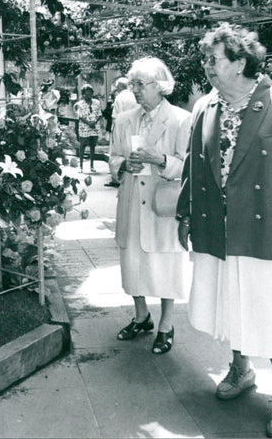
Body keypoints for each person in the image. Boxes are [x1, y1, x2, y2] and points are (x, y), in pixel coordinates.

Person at [175, 23, 272, 438]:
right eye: (205, 59)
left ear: (240, 62)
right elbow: (194, 164)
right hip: (218, 226)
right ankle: (241, 370)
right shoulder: (205, 106)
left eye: (213, 59)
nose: (206, 66)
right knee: (229, 301)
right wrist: (185, 214)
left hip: (266, 225)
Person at [109, 57, 191, 355]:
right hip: (131, 200)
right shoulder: (123, 119)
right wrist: (121, 165)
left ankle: (166, 325)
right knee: (132, 262)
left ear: (160, 85)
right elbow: (113, 156)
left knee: (165, 263)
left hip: (162, 203)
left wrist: (161, 160)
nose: (135, 90)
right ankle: (141, 316)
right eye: (132, 84)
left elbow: (188, 164)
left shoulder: (182, 119)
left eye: (140, 84)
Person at [105, 77, 139, 187]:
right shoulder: (134, 95)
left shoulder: (120, 97)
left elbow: (115, 117)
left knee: (117, 153)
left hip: (121, 129)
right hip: (135, 129)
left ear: (119, 86)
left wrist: (114, 132)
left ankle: (116, 179)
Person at [74, 84, 102, 172]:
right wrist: (88, 123)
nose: (88, 96)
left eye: (90, 94)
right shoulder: (80, 104)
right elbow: (80, 116)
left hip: (94, 128)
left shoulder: (96, 102)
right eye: (86, 94)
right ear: (83, 95)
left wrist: (95, 122)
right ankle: (81, 166)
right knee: (82, 146)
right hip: (84, 128)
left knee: (92, 147)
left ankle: (92, 166)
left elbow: (99, 114)